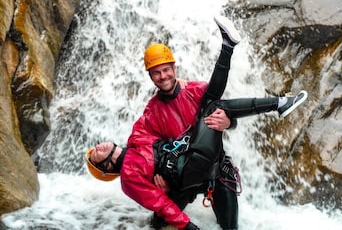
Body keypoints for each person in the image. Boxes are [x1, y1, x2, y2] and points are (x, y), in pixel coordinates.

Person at [85, 16, 308, 230]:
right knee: (158, 225)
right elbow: (139, 150)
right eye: (156, 73)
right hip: (180, 180)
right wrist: (154, 181)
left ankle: (236, 56)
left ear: (174, 69)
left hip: (215, 172)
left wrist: (228, 123)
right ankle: (271, 94)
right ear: (151, 77)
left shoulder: (195, 91)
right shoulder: (151, 113)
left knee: (230, 227)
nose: (163, 76)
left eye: (166, 70)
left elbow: (230, 119)